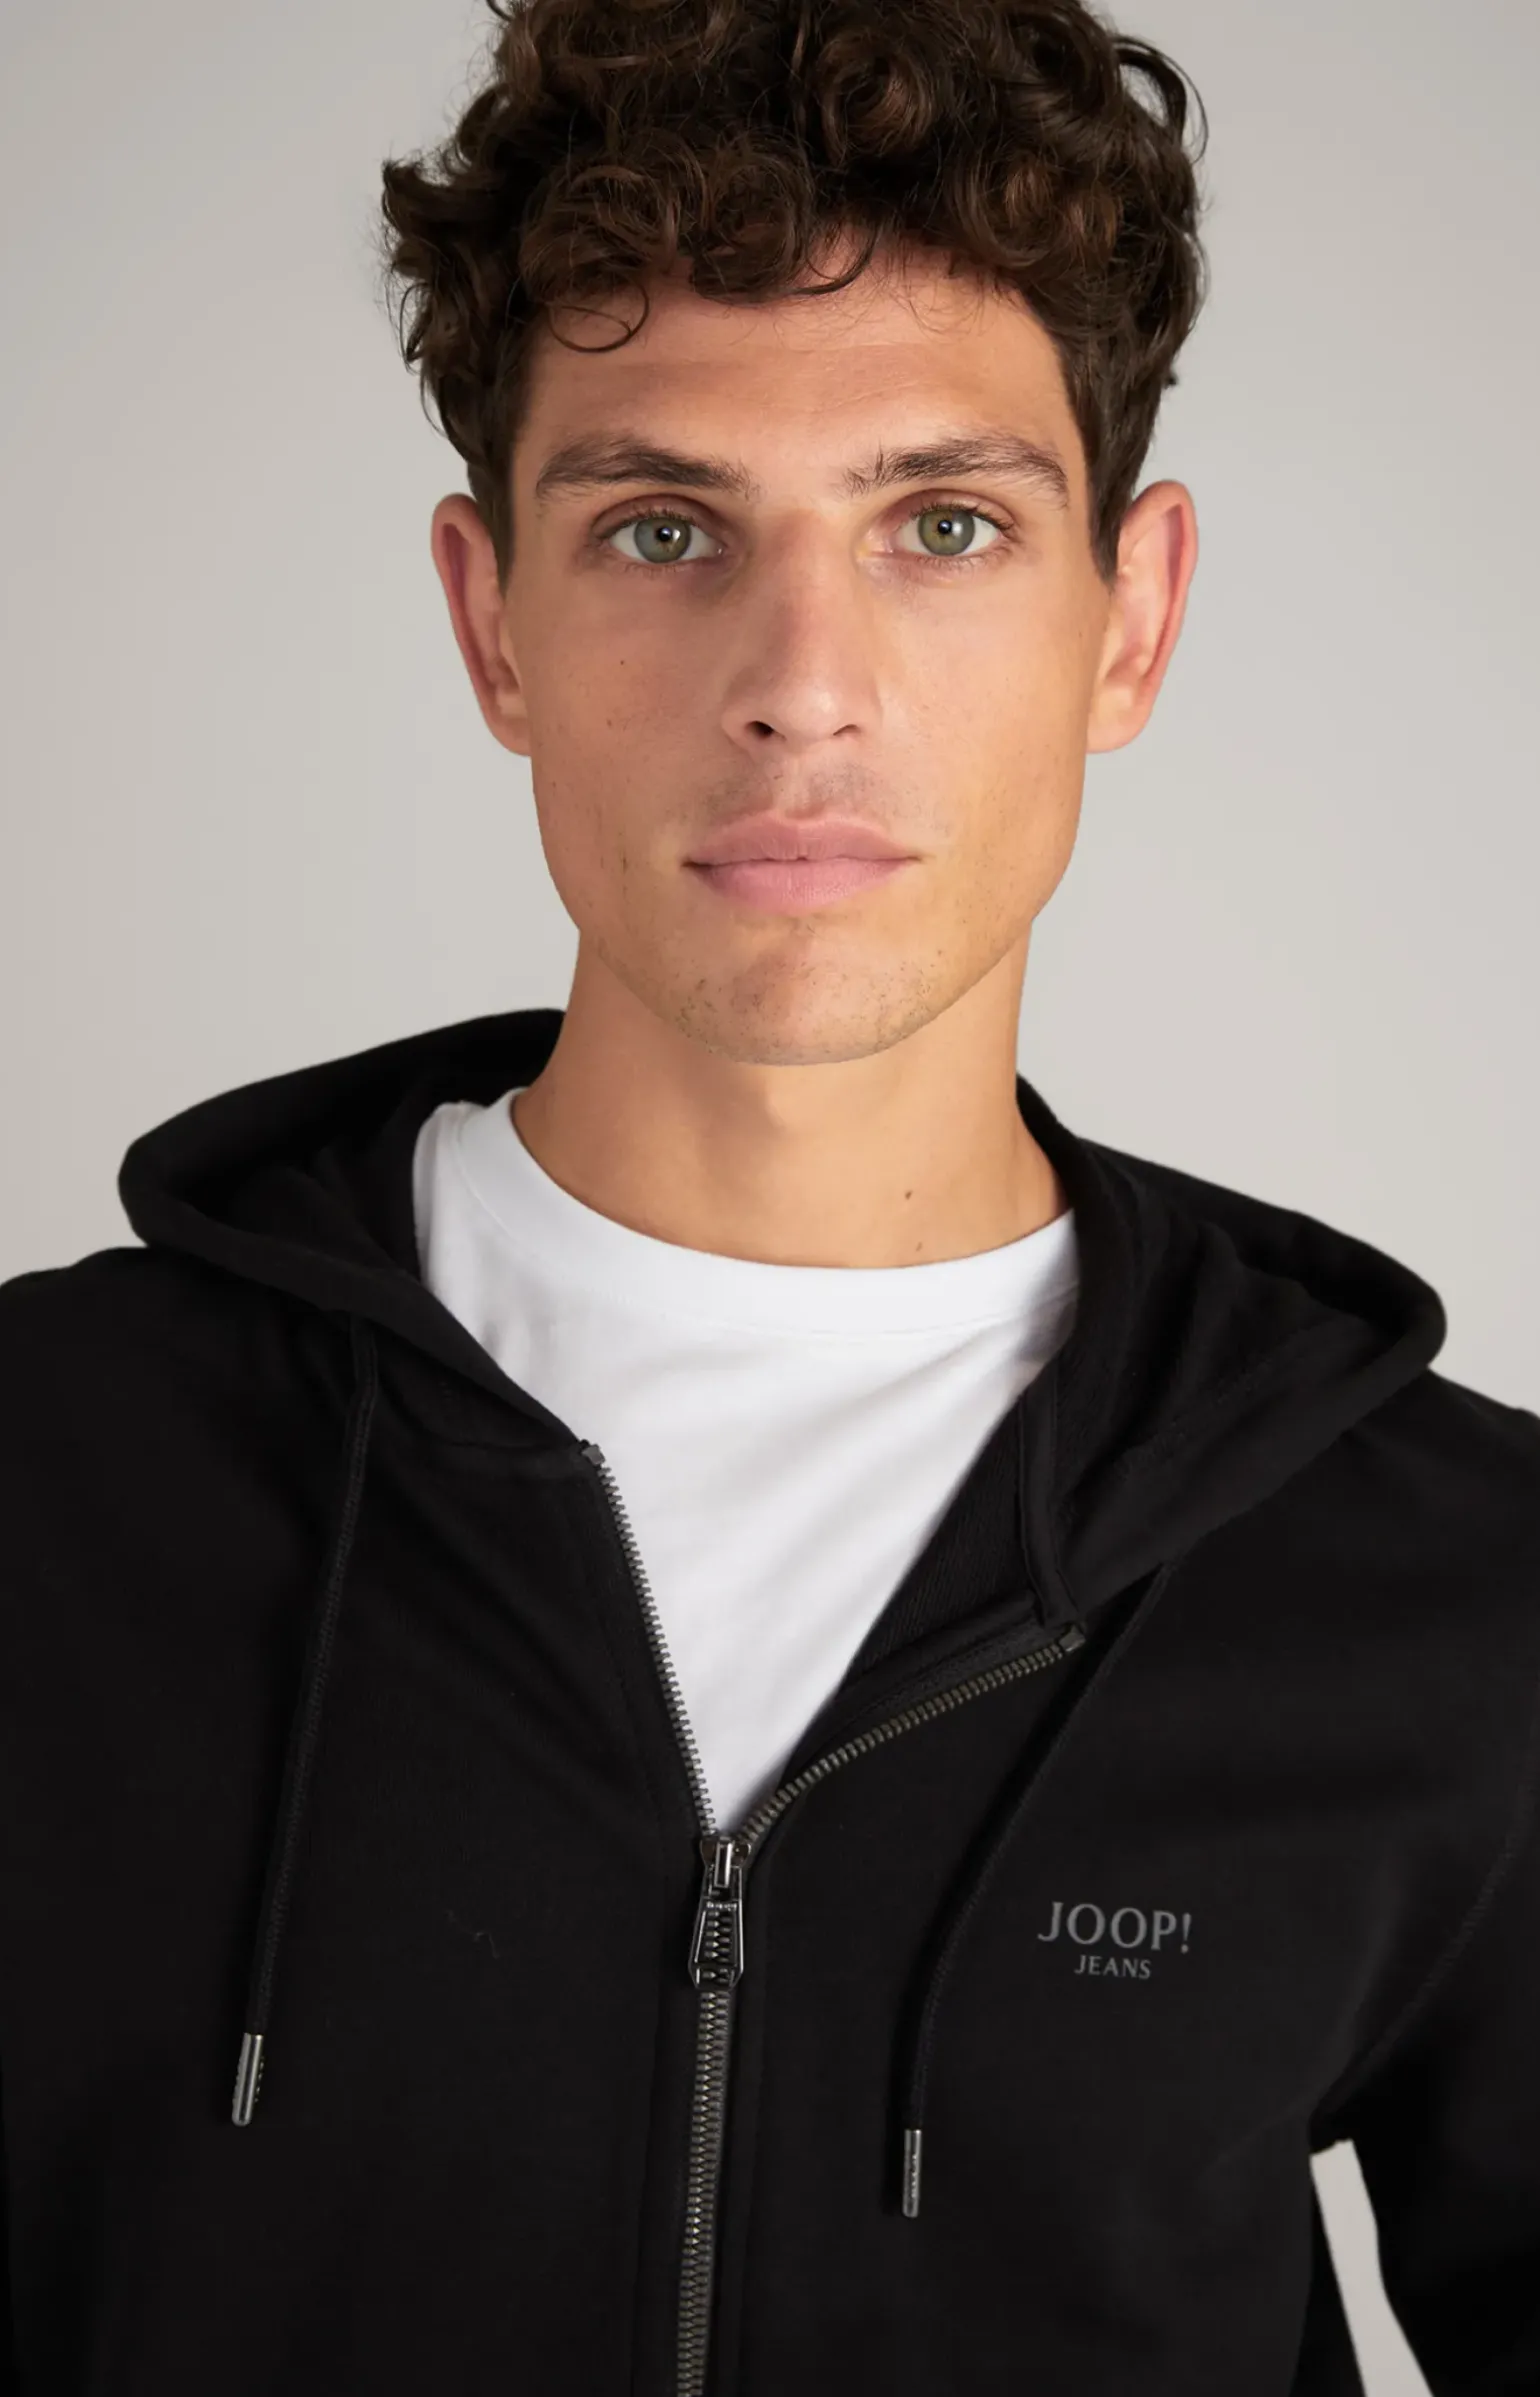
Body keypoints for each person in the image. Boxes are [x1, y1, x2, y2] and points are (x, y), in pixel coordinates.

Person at [2, 0, 1537, 2387]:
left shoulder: (1454, 1589)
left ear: (1128, 616)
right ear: (490, 620)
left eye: (941, 526)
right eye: (660, 529)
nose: (799, 684)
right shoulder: (46, 1479)